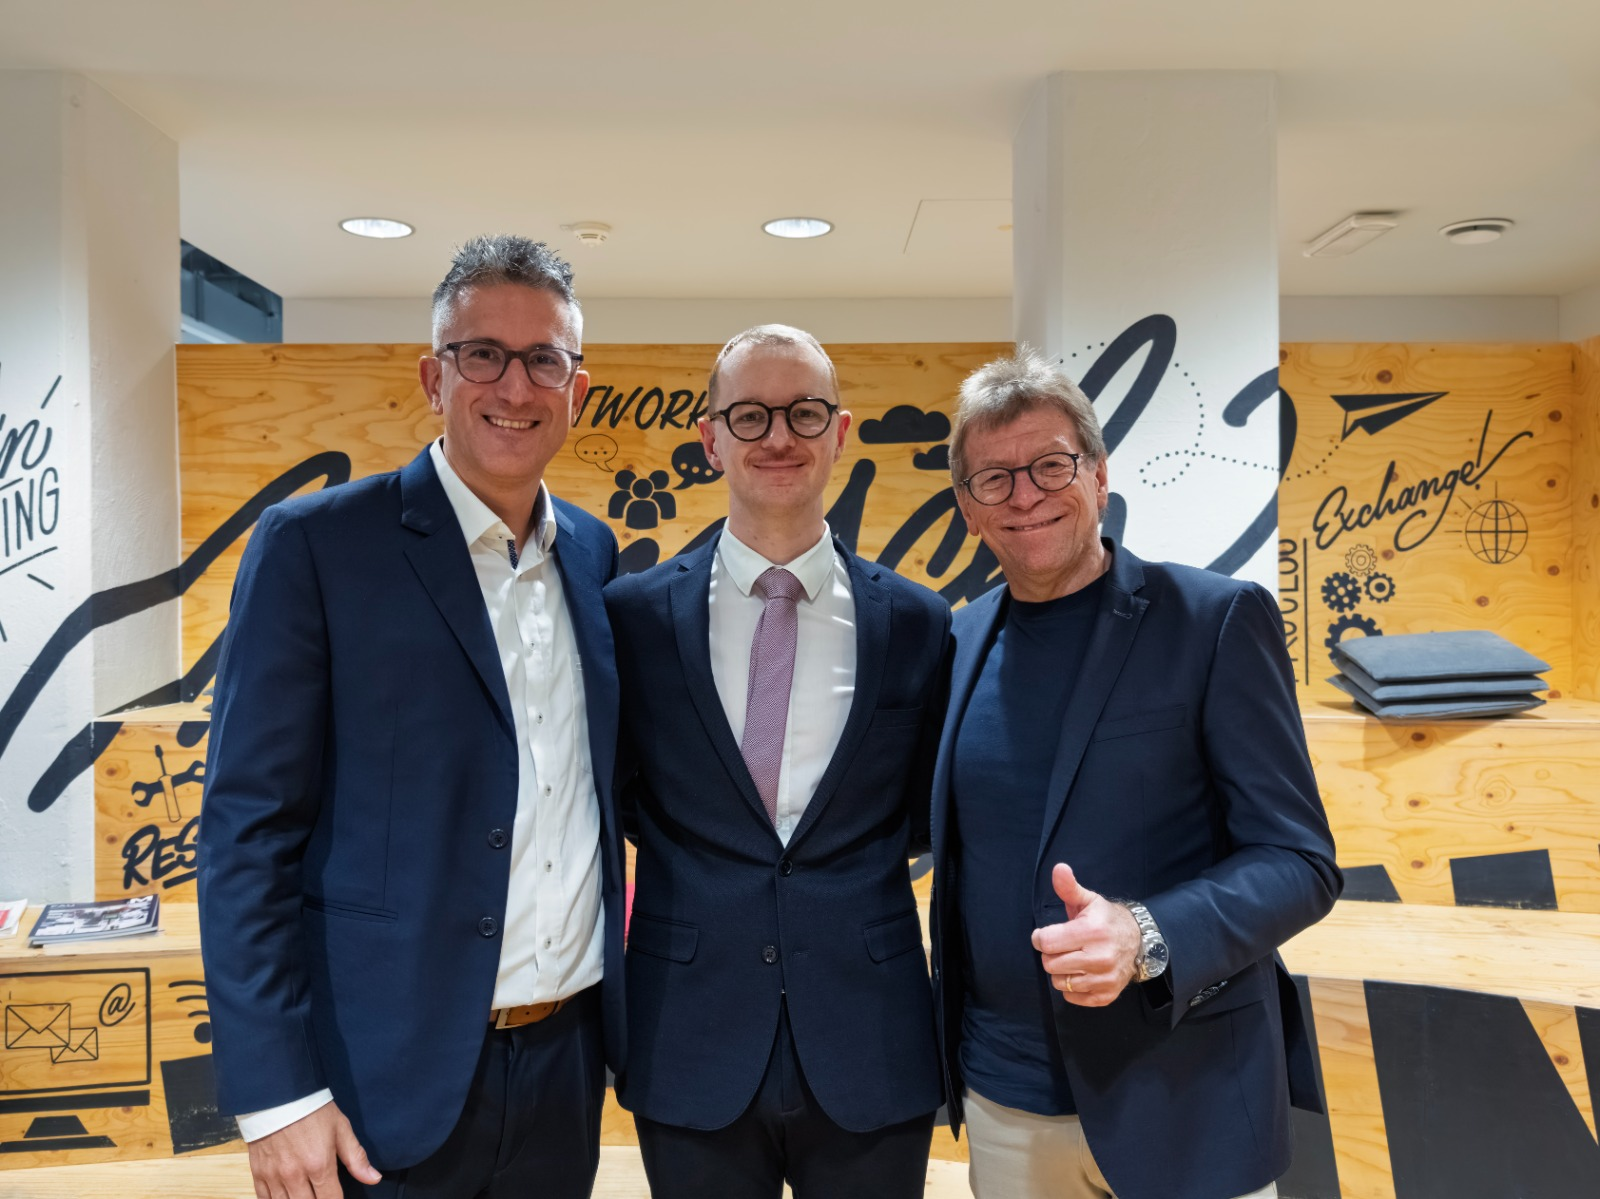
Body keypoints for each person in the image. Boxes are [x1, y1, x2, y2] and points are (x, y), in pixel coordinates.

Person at [198, 235, 625, 1199]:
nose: (513, 386)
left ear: (578, 389)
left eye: (543, 359)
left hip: (565, 1068)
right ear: (435, 378)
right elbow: (246, 831)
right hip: (376, 1077)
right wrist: (276, 1092)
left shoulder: (594, 556)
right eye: (483, 355)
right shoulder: (317, 546)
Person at [929, 350, 1342, 1199]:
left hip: (1188, 1091)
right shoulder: (955, 642)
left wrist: (1145, 933)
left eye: (1051, 465)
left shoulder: (1214, 620)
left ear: (1099, 472)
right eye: (994, 478)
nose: (1026, 495)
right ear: (968, 508)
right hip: (1007, 1101)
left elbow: (1299, 860)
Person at [604, 325, 947, 1199]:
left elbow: (922, 809)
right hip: (690, 1029)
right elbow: (624, 795)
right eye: (750, 415)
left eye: (804, 412)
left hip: (872, 1035)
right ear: (710, 437)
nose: (779, 436)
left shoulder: (917, 622)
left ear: (841, 431)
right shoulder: (633, 617)